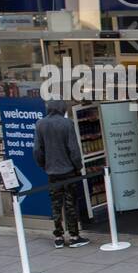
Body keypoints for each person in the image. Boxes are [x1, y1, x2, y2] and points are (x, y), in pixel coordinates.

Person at [33, 97, 89, 249]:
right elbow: (74, 150)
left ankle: (58, 236)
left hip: (52, 171)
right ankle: (74, 236)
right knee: (71, 203)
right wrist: (79, 166)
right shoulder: (67, 124)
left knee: (56, 204)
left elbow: (37, 150)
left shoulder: (40, 124)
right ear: (62, 108)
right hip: (68, 170)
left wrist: (43, 165)